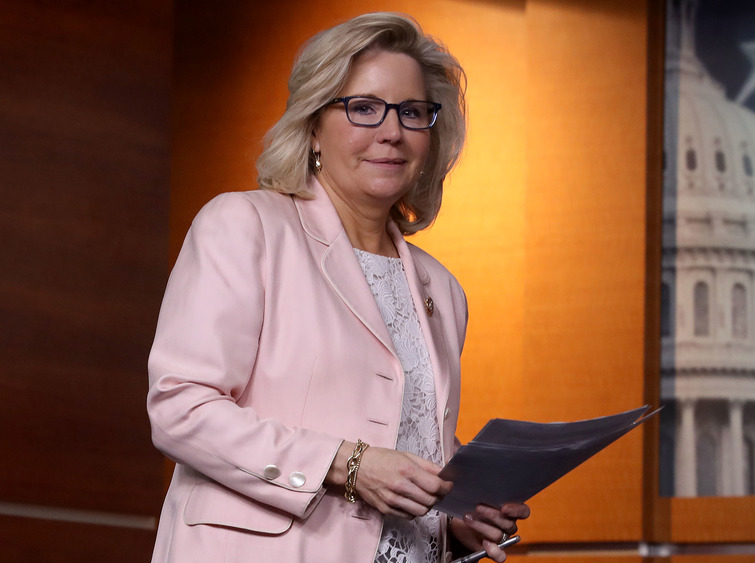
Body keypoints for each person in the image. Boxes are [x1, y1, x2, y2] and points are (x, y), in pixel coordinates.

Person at [147, 12, 529, 563]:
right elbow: (180, 407)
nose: (392, 132)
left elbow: (410, 447)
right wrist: (346, 465)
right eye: (364, 108)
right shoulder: (244, 226)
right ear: (312, 125)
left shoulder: (442, 289)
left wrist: (456, 519)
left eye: (412, 112)